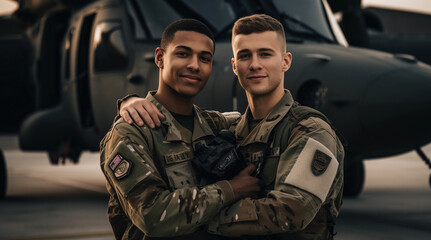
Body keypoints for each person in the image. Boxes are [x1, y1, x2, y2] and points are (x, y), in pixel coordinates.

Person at [121, 14, 344, 240]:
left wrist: (200, 220)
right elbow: (175, 117)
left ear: (285, 61)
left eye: (265, 54)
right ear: (235, 65)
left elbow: (293, 211)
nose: (255, 65)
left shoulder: (309, 130)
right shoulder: (234, 128)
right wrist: (129, 103)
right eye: (245, 56)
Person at [99, 19, 262, 239]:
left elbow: (265, 123)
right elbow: (153, 216)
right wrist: (230, 190)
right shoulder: (132, 132)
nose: (194, 65)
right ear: (160, 58)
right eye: (183, 54)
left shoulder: (214, 124)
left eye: (204, 58)